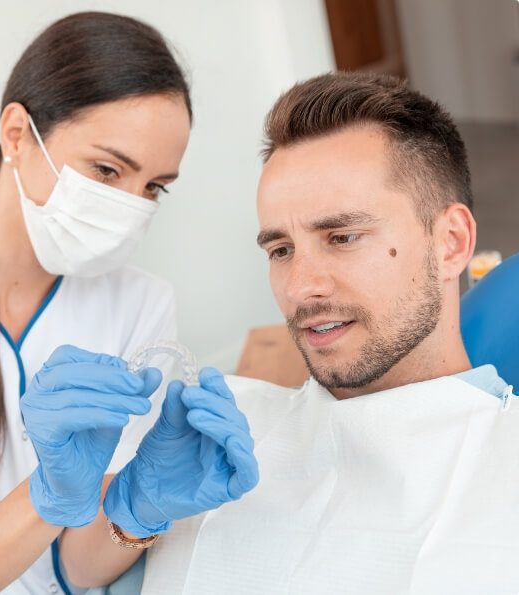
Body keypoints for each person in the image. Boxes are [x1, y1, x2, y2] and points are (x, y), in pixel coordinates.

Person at [129, 73, 519, 594]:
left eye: (342, 237)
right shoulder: (228, 431)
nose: (301, 287)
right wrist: (130, 510)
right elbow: (82, 569)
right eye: (281, 250)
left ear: (450, 243)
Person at [0, 12, 258, 594]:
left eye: (153, 186)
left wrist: (140, 506)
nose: (130, 206)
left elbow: (77, 568)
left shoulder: (139, 303)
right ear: (18, 135)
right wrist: (47, 497)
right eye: (106, 170)